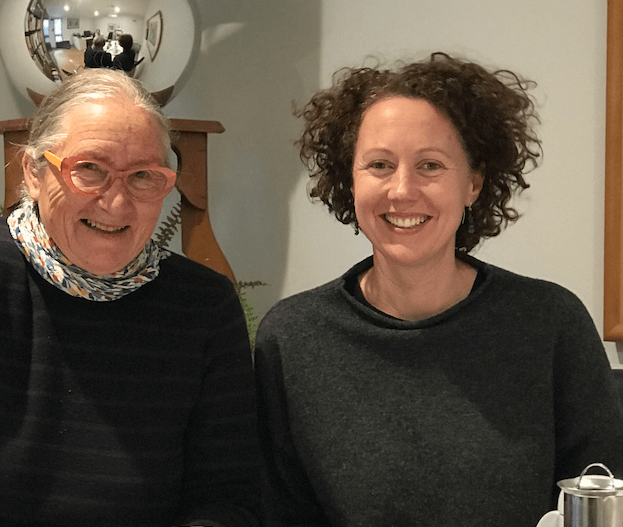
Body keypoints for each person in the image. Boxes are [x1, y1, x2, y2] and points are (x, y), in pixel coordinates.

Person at [254, 52, 623, 527]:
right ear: (350, 179)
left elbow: (600, 498)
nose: (402, 190)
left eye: (430, 165)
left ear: (473, 182)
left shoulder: (550, 322)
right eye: (380, 165)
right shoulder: (293, 338)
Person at [0, 69, 260, 526]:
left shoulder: (204, 304)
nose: (117, 203)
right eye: (88, 169)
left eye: (144, 175)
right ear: (32, 171)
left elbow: (228, 493)